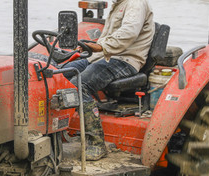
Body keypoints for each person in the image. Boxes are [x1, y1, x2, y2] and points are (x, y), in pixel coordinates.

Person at [65, 0, 154, 160]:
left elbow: (129, 32)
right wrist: (93, 46)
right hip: (104, 56)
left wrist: (101, 46)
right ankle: (57, 131)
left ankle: (96, 143)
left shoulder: (135, 3)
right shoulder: (118, 4)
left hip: (125, 60)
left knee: (79, 85)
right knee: (60, 73)